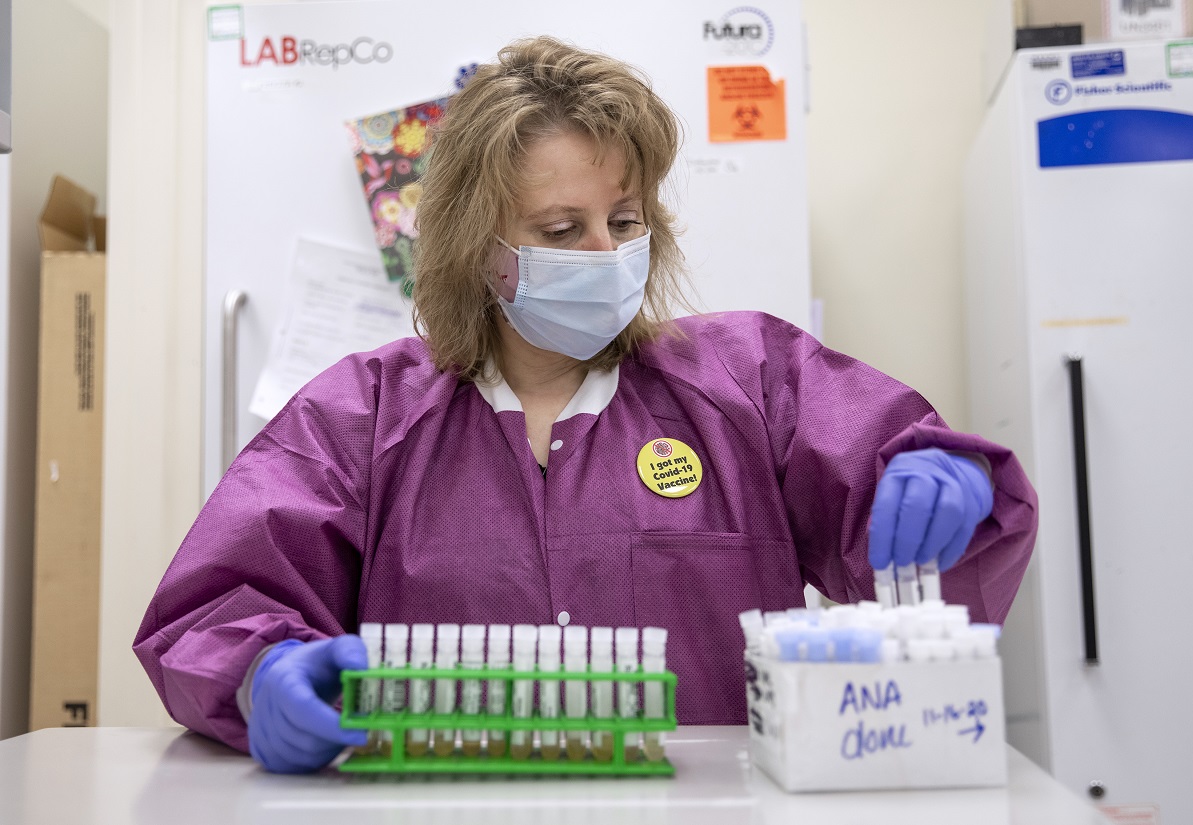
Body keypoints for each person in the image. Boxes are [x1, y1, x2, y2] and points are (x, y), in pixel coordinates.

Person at [134, 36, 1037, 774]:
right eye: (562, 231)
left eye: (627, 220)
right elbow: (210, 611)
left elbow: (921, 541)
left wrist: (948, 480)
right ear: (478, 250)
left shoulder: (752, 381)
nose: (605, 252)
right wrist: (260, 677)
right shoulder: (364, 415)